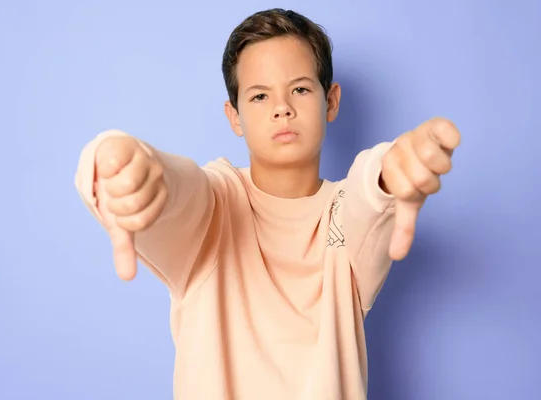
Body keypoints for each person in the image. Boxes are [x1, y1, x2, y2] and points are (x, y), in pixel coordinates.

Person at [74, 8, 460, 400]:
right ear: (234, 116)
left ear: (331, 101)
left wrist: (392, 170)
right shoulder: (214, 203)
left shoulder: (345, 217)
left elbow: (370, 192)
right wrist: (126, 162)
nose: (282, 108)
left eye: (300, 89)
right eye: (259, 95)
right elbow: (178, 187)